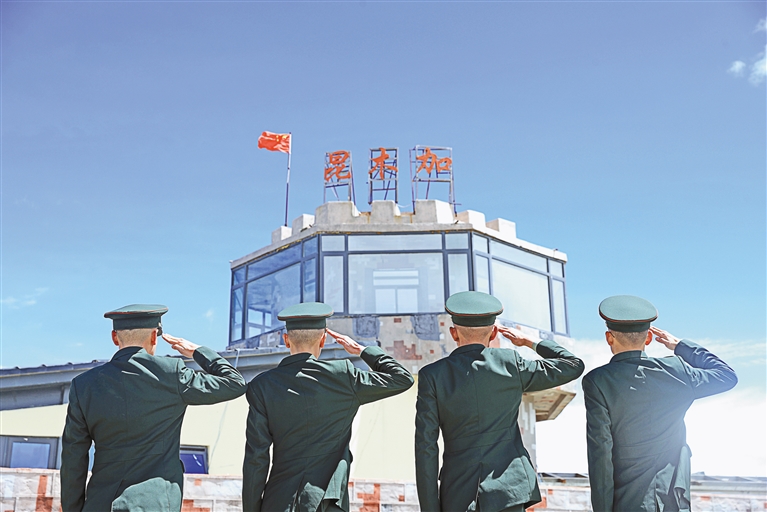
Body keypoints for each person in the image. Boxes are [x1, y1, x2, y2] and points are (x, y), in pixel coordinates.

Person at [60, 304, 247, 512]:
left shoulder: (83, 385)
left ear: (114, 338)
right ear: (153, 337)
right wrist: (197, 352)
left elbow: (73, 458)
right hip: (155, 504)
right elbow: (235, 383)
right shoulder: (171, 373)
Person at [415, 291, 585, 512]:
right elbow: (573, 365)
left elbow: (425, 447)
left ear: (453, 333)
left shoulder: (432, 376)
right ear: (494, 332)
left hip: (457, 494)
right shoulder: (510, 363)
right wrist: (528, 341)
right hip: (508, 492)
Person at [242, 302, 414, 512]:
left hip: (278, 502)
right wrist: (362, 350)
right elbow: (402, 378)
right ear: (323, 339)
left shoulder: (261, 386)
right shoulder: (343, 376)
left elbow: (256, 458)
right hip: (326, 502)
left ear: (286, 340)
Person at [583, 295, 738, 512]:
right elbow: (727, 376)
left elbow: (600, 454)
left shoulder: (597, 381)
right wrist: (681, 346)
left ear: (609, 337)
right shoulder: (677, 372)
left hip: (627, 503)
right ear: (648, 338)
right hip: (674, 502)